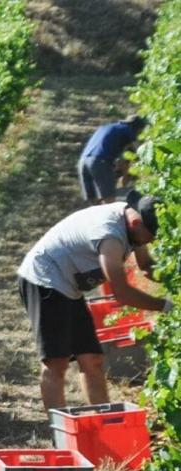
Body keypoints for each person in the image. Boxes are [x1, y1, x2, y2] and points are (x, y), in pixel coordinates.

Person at [17, 193, 173, 411]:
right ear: (137, 223)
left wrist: (174, 278)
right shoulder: (109, 236)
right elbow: (123, 294)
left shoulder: (134, 225)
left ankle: (104, 419)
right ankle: (58, 430)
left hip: (70, 286)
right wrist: (166, 306)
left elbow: (146, 266)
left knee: (92, 359)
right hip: (44, 278)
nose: (153, 240)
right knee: (56, 362)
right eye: (151, 236)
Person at [78, 114, 147, 204]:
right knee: (109, 199)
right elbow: (140, 152)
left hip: (83, 162)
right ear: (137, 128)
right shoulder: (128, 130)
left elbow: (121, 160)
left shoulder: (107, 128)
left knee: (93, 200)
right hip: (99, 161)